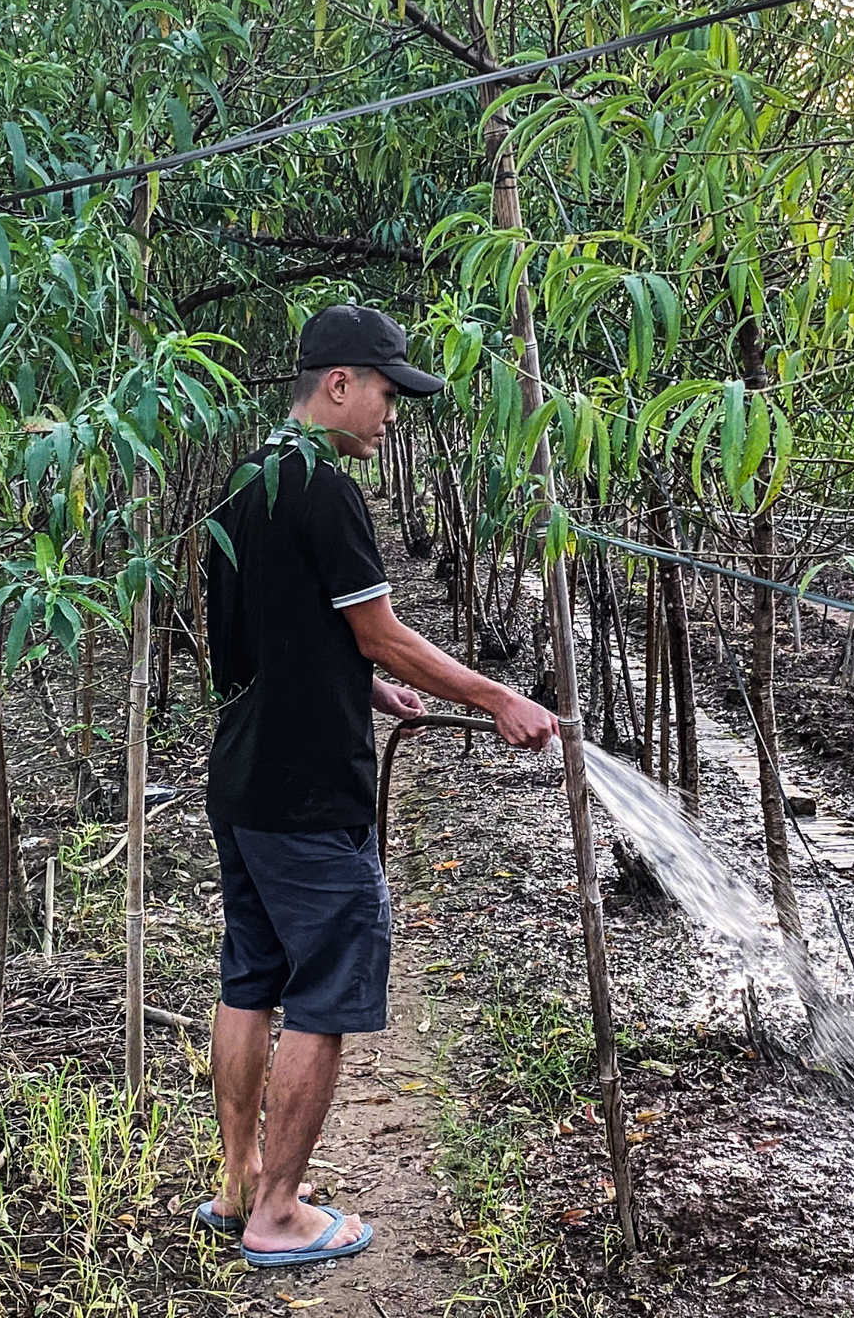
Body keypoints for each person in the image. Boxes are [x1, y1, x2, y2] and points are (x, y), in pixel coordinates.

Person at [194, 303, 559, 1268]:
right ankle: (279, 1215)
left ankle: (236, 1190)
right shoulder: (324, 488)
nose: (393, 417)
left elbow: (268, 636)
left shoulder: (246, 480)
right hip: (312, 796)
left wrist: (365, 686)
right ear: (341, 383)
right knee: (324, 994)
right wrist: (497, 699)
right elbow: (379, 626)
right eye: (389, 395)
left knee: (250, 981)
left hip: (244, 780)